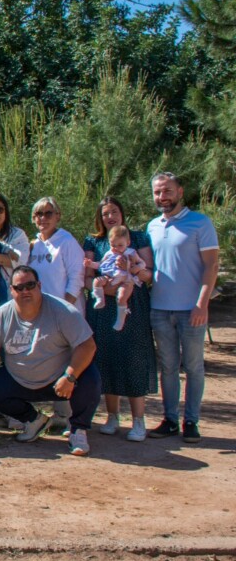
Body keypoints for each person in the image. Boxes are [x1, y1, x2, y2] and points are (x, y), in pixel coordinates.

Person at [0, 265, 101, 456]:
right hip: (19, 381)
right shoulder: (0, 316)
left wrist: (70, 376)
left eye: (30, 285)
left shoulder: (63, 311)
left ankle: (78, 429)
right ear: (11, 290)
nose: (25, 291)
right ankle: (33, 420)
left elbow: (87, 346)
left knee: (89, 376)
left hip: (60, 381)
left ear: (39, 285)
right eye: (19, 287)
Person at [146, 172, 219, 443]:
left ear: (180, 191)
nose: (162, 197)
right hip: (160, 309)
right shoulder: (152, 226)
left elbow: (212, 266)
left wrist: (202, 303)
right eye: (157, 193)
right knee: (167, 366)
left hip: (191, 309)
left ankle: (191, 420)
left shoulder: (200, 223)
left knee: (193, 366)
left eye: (167, 191)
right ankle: (170, 419)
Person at [82, 197, 156, 441]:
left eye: (114, 212)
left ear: (122, 213)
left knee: (133, 359)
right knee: (106, 359)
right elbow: (87, 276)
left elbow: (148, 274)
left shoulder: (138, 238)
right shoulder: (94, 241)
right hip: (102, 310)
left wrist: (131, 270)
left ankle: (138, 420)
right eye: (105, 214)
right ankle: (112, 416)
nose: (110, 217)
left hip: (132, 306)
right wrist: (107, 289)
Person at [27, 196, 85, 309]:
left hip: (65, 311)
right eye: (39, 214)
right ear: (34, 218)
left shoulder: (67, 242)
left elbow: (77, 278)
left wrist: (65, 308)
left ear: (57, 216)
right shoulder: (33, 245)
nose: (43, 218)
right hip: (40, 311)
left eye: (48, 214)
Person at [86, 226, 146, 331]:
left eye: (120, 245)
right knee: (96, 281)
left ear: (127, 243)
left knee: (121, 296)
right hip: (109, 276)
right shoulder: (109, 253)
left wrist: (136, 268)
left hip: (126, 279)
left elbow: (142, 263)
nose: (116, 248)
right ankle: (100, 299)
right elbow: (100, 265)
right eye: (113, 245)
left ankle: (120, 319)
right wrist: (90, 264)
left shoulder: (131, 253)